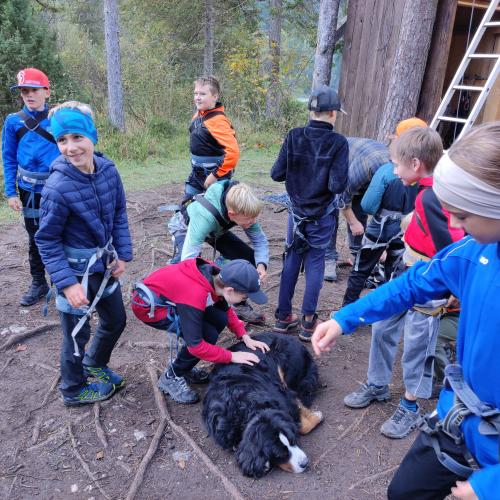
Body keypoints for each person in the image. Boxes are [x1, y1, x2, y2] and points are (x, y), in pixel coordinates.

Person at [312, 121, 500, 500]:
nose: (457, 226)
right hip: (458, 420)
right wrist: (344, 317)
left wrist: (488, 487)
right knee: (403, 493)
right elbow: (411, 284)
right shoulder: (475, 253)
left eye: (463, 215)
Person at [342, 127, 464, 439]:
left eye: (396, 164)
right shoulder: (422, 189)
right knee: (382, 326)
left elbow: (451, 248)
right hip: (406, 270)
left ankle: (411, 405)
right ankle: (377, 384)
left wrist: (451, 290)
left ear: (414, 163)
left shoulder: (433, 196)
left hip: (428, 282)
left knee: (416, 344)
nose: (393, 171)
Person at [35, 102, 133, 406]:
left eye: (77, 137)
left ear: (92, 136)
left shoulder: (108, 170)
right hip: (75, 272)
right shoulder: (57, 187)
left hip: (103, 265)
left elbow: (118, 212)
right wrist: (67, 284)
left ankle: (95, 363)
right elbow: (47, 239)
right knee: (76, 334)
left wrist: (123, 253)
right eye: (62, 140)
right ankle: (74, 390)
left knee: (116, 320)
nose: (70, 147)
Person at [131, 258, 269, 404]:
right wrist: (231, 356)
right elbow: (196, 346)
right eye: (244, 296)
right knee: (207, 335)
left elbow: (224, 307)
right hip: (150, 307)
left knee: (219, 318)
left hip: (175, 298)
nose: (244, 299)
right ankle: (171, 376)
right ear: (229, 290)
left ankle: (185, 365)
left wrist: (244, 335)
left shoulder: (217, 276)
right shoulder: (195, 294)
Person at [271, 85, 348, 341]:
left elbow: (276, 173)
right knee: (315, 262)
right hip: (320, 215)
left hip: (297, 214)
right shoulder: (337, 143)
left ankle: (282, 317)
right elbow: (337, 185)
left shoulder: (294, 136)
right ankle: (307, 321)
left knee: (292, 258)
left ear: (311, 111)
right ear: (333, 113)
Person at [324, 117, 428, 282]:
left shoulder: (400, 169)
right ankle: (328, 258)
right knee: (331, 210)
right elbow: (344, 194)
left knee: (360, 212)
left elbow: (376, 208)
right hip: (337, 166)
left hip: (363, 179)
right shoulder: (373, 165)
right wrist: (352, 223)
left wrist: (379, 244)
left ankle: (358, 254)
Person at [168, 180, 269, 324]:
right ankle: (177, 305)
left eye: (254, 218)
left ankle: (238, 305)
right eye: (249, 219)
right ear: (232, 214)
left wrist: (261, 266)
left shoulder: (243, 208)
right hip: (185, 227)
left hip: (216, 230)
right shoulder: (204, 218)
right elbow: (188, 261)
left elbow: (260, 241)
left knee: (249, 259)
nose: (253, 222)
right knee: (190, 270)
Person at [1, 68, 60, 306]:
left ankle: (65, 283)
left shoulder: (58, 118)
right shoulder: (13, 121)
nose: (28, 95)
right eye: (24, 91)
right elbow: (8, 157)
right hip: (28, 191)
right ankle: (38, 282)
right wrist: (11, 192)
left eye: (34, 90)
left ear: (46, 91)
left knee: (63, 233)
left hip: (57, 189)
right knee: (35, 237)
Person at [184, 75, 239, 200]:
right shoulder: (199, 114)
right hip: (196, 174)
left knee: (215, 212)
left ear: (215, 96)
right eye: (195, 93)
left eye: (202, 94)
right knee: (187, 206)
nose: (197, 98)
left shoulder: (218, 121)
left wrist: (214, 175)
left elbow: (233, 153)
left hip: (214, 176)